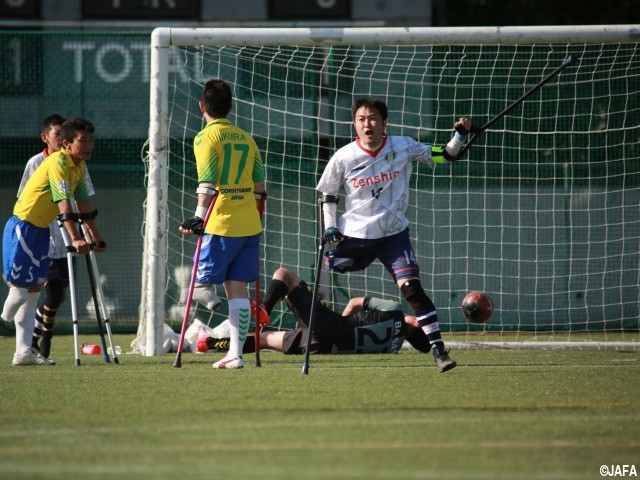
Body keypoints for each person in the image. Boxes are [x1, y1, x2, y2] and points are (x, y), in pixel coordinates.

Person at [316, 97, 473, 373]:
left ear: (384, 122)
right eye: (362, 119)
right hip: (354, 236)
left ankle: (439, 350)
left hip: (393, 236)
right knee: (330, 267)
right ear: (355, 124)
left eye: (373, 118)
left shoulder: (403, 146)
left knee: (412, 290)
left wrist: (460, 135)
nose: (368, 124)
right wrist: (330, 227)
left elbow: (446, 155)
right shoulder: (343, 156)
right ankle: (315, 326)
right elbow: (327, 194)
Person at [1, 117, 106, 366]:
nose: (89, 145)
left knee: (33, 295)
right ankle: (3, 319)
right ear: (67, 144)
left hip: (40, 232)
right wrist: (76, 238)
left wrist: (96, 237)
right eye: (83, 140)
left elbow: (83, 206)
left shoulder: (78, 167)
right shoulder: (57, 162)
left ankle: (23, 353)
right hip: (23, 227)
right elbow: (63, 205)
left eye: (91, 140)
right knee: (18, 294)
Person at [179, 78, 266, 370]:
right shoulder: (246, 137)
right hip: (249, 224)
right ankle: (236, 355)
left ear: (201, 106)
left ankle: (213, 309)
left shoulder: (205, 137)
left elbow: (208, 182)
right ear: (230, 107)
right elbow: (260, 187)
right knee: (237, 289)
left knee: (200, 283)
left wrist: (198, 218)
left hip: (221, 223)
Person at [195, 267, 432, 356]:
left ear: (419, 325)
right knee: (263, 340)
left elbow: (356, 302)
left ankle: (264, 309)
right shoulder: (393, 349)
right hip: (321, 348)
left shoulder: (395, 311)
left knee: (284, 276)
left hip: (329, 325)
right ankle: (209, 344)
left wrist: (340, 320)